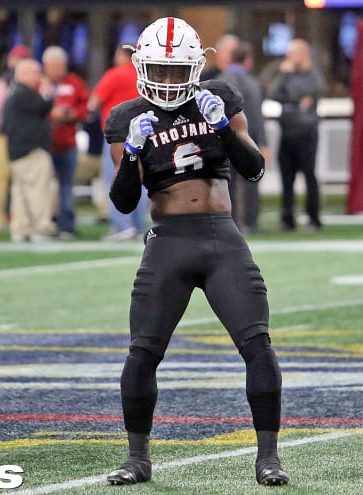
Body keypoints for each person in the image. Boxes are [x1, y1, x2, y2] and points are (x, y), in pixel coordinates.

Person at [104, 17, 288, 487]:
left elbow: (253, 170)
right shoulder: (127, 117)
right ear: (143, 67)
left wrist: (223, 127)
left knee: (257, 345)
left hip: (220, 236)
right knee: (142, 353)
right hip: (168, 241)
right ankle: (138, 458)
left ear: (195, 67)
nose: (166, 80)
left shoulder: (219, 97)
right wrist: (131, 155)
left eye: (175, 70)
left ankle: (269, 457)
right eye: (159, 70)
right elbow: (124, 200)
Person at [89, 45, 148, 241]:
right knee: (141, 181)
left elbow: (93, 102)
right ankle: (138, 226)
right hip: (144, 134)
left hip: (119, 136)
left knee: (116, 178)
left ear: (123, 55)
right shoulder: (144, 74)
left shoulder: (115, 74)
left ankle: (122, 225)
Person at [267, 38, 325, 231]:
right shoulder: (286, 74)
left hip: (306, 134)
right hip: (288, 132)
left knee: (309, 176)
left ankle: (313, 218)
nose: (289, 57)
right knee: (287, 178)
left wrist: (292, 98)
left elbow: (310, 94)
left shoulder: (313, 75)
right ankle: (287, 219)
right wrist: (284, 75)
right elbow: (274, 94)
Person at [1, 58, 56, 243]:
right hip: (32, 150)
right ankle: (40, 228)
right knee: (37, 190)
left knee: (20, 192)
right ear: (23, 74)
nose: (39, 77)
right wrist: (48, 91)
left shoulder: (12, 92)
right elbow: (44, 106)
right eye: (36, 72)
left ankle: (20, 228)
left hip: (16, 151)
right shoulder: (25, 93)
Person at [217, 41, 268, 234]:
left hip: (223, 138)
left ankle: (231, 222)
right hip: (248, 138)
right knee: (251, 181)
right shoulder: (252, 83)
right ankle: (251, 222)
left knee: (227, 183)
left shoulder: (220, 81)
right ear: (247, 60)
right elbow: (256, 115)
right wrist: (262, 142)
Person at [42, 46, 89, 239]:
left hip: (68, 143)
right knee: (43, 187)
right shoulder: (39, 83)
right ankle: (44, 224)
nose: (57, 70)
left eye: (60, 65)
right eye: (53, 66)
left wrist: (71, 114)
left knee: (66, 187)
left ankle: (67, 225)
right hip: (44, 144)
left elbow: (86, 108)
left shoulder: (74, 83)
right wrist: (50, 114)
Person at [0, 44, 32, 230]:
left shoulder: (20, 81)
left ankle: (12, 216)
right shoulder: (6, 81)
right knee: (3, 177)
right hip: (8, 136)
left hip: (15, 136)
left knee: (15, 178)